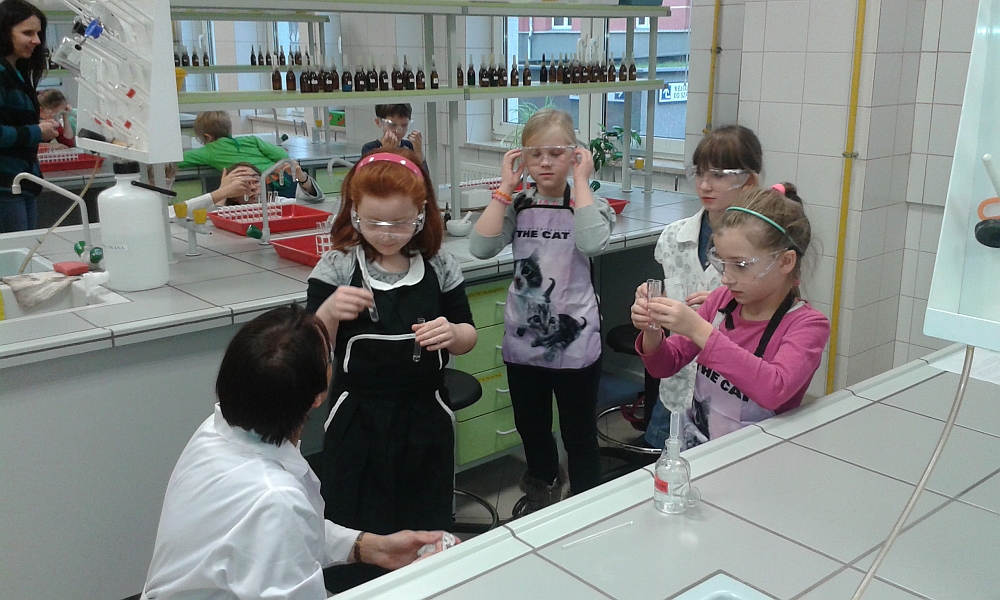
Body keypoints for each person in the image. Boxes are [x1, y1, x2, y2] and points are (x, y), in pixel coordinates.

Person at [141, 304, 452, 600]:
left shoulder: (215, 431)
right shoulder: (275, 499)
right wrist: (407, 588)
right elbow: (280, 525)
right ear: (318, 396)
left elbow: (285, 535)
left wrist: (372, 547)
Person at [305, 148, 476, 591]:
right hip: (356, 417)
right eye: (373, 223)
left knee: (423, 520)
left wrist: (451, 333)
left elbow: (469, 335)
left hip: (425, 416)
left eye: (400, 223)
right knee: (356, 518)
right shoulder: (338, 265)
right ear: (353, 213)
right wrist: (328, 311)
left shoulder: (439, 265)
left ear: (421, 214)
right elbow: (309, 348)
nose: (386, 234)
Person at [469, 108, 614, 515]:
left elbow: (592, 243)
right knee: (532, 430)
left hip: (575, 342)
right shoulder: (518, 204)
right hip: (524, 341)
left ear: (575, 155)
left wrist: (581, 182)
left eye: (556, 153)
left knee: (578, 434)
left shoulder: (591, 205)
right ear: (523, 158)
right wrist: (504, 187)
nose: (545, 162)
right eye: (535, 154)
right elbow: (481, 247)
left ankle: (586, 506)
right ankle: (543, 492)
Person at [631, 184, 830, 450]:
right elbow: (664, 365)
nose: (726, 278)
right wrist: (652, 329)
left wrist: (698, 329)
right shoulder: (721, 302)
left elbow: (773, 389)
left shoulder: (807, 325)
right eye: (722, 262)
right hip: (699, 448)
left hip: (757, 456)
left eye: (741, 265)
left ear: (785, 262)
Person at [644, 124, 762, 448]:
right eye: (699, 173)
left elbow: (776, 316)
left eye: (719, 175)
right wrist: (652, 304)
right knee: (664, 469)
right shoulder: (674, 236)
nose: (705, 185)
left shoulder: (764, 248)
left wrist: (728, 304)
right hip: (676, 388)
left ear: (749, 180)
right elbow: (672, 309)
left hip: (731, 399)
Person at [0, 0, 57, 233]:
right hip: (5, 187)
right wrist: (36, 131)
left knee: (26, 249)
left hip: (22, 183)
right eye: (27, 33)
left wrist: (39, 127)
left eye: (38, 33)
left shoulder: (17, 73)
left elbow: (12, 121)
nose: (37, 41)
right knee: (16, 253)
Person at [176, 111, 322, 201]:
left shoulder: (208, 151)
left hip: (260, 186)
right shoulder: (250, 140)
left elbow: (177, 161)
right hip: (285, 179)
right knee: (289, 208)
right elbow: (282, 155)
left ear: (207, 137)